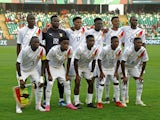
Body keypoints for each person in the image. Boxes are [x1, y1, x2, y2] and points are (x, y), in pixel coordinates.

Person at [45, 36, 77, 111]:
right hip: (51, 67)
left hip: (60, 67)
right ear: (60, 43)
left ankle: (69, 103)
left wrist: (67, 73)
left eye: (67, 44)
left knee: (67, 83)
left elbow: (69, 61)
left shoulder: (70, 49)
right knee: (50, 84)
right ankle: (47, 104)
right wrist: (49, 74)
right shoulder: (53, 50)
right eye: (64, 43)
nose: (66, 45)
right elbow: (46, 62)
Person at [16, 36, 46, 113]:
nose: (37, 44)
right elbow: (18, 64)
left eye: (38, 42)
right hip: (23, 70)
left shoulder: (42, 50)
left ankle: (38, 105)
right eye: (35, 42)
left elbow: (43, 62)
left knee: (40, 85)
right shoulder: (24, 50)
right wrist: (21, 78)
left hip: (33, 70)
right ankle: (18, 107)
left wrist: (42, 77)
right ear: (30, 43)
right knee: (21, 87)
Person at [42, 15, 67, 106]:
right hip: (49, 61)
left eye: (58, 21)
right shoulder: (46, 32)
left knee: (61, 82)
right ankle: (45, 100)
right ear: (51, 22)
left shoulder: (63, 32)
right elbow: (39, 41)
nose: (56, 22)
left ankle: (61, 99)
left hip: (60, 61)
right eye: (55, 21)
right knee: (47, 81)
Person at [121, 16, 146, 104]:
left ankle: (138, 100)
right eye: (133, 20)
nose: (135, 21)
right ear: (130, 21)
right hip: (126, 58)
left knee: (140, 80)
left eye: (136, 20)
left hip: (135, 60)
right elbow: (119, 36)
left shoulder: (141, 31)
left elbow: (143, 43)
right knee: (125, 80)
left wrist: (142, 57)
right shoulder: (124, 28)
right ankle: (125, 98)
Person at [97, 36, 124, 109]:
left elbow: (119, 60)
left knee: (116, 82)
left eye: (117, 42)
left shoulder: (119, 49)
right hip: (103, 68)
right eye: (115, 42)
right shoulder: (105, 49)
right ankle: (99, 102)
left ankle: (118, 101)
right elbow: (99, 60)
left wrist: (116, 72)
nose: (116, 43)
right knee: (102, 83)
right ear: (111, 42)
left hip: (112, 68)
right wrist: (101, 72)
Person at [121, 37, 149, 107]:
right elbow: (122, 62)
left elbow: (145, 62)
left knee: (140, 81)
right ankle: (123, 101)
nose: (140, 44)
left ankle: (138, 100)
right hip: (125, 66)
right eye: (138, 43)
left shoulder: (143, 50)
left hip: (133, 67)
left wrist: (141, 75)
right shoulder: (128, 50)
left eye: (141, 43)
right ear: (134, 43)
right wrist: (124, 76)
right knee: (124, 82)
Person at [74, 35, 98, 109]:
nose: (92, 42)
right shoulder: (80, 49)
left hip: (86, 67)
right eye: (90, 41)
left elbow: (94, 61)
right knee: (77, 83)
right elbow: (75, 61)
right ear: (86, 41)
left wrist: (92, 72)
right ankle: (76, 102)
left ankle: (89, 102)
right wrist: (77, 74)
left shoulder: (95, 49)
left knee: (91, 83)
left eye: (93, 41)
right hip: (78, 66)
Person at [104, 16, 124, 103]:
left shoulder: (122, 31)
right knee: (107, 77)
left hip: (118, 55)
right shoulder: (107, 31)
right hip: (108, 55)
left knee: (117, 76)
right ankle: (107, 96)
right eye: (115, 21)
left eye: (118, 21)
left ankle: (116, 97)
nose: (117, 22)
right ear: (112, 22)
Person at [86, 17, 106, 103]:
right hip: (91, 59)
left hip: (100, 59)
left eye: (101, 24)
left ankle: (98, 98)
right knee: (91, 79)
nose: (100, 25)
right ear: (94, 24)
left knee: (99, 79)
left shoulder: (103, 33)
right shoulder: (89, 32)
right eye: (98, 23)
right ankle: (88, 98)